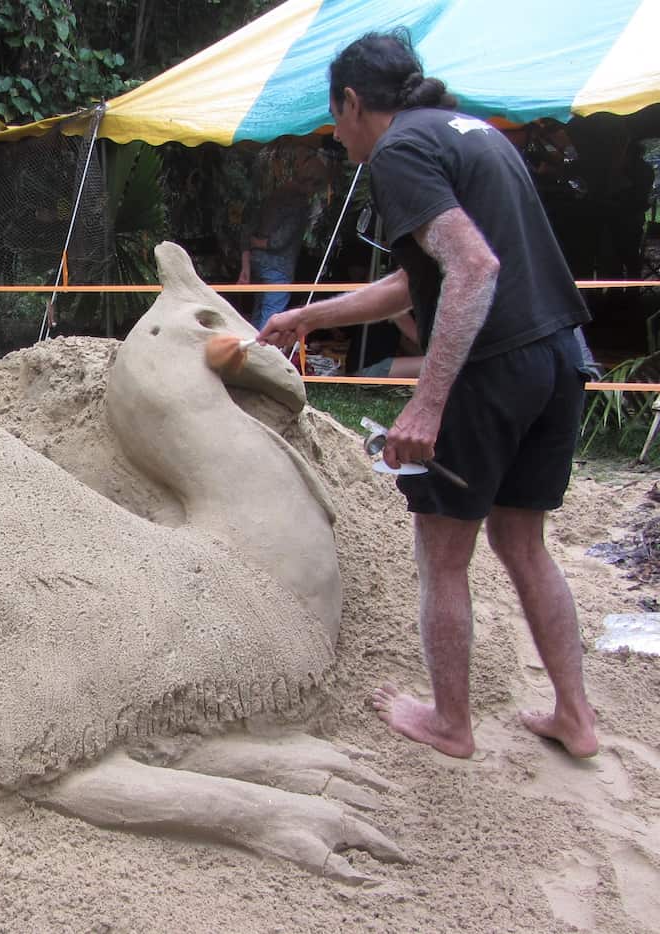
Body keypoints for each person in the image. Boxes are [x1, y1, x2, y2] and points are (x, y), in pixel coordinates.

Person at [258, 30, 598, 759]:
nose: (337, 135)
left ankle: (450, 722)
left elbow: (472, 269)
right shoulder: (473, 133)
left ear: (353, 102)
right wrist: (308, 316)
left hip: (491, 368)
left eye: (334, 117)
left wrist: (428, 401)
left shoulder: (399, 151)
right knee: (523, 542)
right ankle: (576, 717)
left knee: (441, 554)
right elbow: (419, 280)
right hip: (559, 355)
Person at [238, 145, 332, 329]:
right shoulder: (298, 204)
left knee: (259, 310)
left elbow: (249, 228)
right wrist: (261, 242)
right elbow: (279, 240)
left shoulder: (273, 195)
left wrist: (251, 249)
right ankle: (264, 346)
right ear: (311, 182)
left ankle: (253, 344)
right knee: (272, 315)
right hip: (279, 267)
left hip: (257, 261)